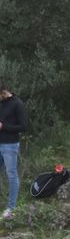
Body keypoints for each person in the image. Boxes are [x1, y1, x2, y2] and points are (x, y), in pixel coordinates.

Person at [0, 84, 26, 219]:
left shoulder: (17, 104)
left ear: (4, 92)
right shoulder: (2, 104)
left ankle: (11, 208)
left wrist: (4, 126)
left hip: (10, 145)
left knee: (11, 175)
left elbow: (23, 126)